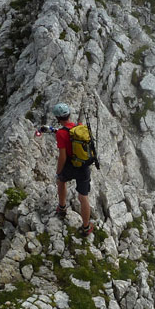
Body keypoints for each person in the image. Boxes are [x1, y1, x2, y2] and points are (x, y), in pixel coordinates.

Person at [51, 102, 94, 238]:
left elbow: (62, 156)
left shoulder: (61, 134)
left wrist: (58, 172)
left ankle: (62, 208)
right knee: (83, 197)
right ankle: (86, 227)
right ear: (69, 115)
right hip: (83, 166)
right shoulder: (79, 127)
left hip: (70, 166)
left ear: (57, 118)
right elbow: (70, 134)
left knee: (61, 181)